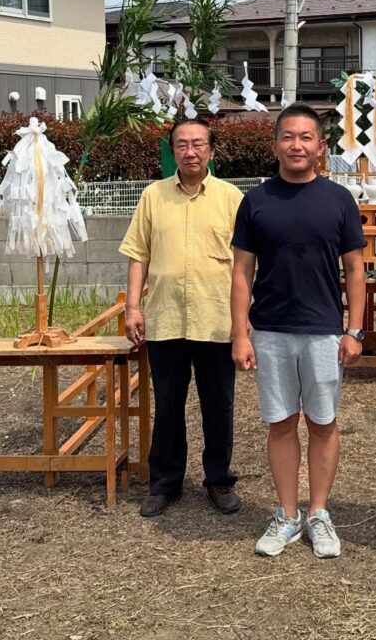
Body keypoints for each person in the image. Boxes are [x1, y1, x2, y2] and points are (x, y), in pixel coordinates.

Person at [230, 103, 366, 558]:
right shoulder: (256, 201)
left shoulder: (339, 200)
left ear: (321, 147)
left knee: (324, 423)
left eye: (306, 137)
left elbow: (355, 270)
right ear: (275, 146)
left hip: (325, 331)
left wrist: (355, 330)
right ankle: (287, 514)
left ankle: (319, 513)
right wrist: (240, 333)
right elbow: (241, 272)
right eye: (288, 137)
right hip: (270, 330)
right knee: (281, 422)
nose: (297, 145)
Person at [120, 116, 244, 518]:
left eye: (198, 144)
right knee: (169, 404)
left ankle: (218, 479)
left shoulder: (231, 198)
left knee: (218, 403)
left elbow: (247, 262)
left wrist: (244, 320)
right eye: (182, 145)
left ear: (211, 150)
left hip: (216, 317)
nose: (190, 151)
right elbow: (138, 253)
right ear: (172, 151)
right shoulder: (154, 196)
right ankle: (165, 483)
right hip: (166, 318)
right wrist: (132, 307)